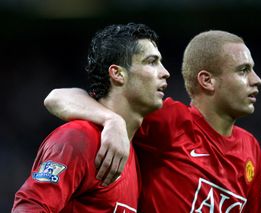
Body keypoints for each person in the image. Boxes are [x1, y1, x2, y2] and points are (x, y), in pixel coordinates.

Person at [44, 30, 261, 212]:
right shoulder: (172, 121)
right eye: (243, 70)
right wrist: (113, 121)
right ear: (207, 81)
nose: (256, 80)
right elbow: (57, 97)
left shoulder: (251, 148)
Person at [12, 22, 170, 212]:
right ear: (118, 73)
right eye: (151, 62)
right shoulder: (78, 138)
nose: (165, 72)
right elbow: (28, 208)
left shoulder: (130, 150)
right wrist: (113, 120)